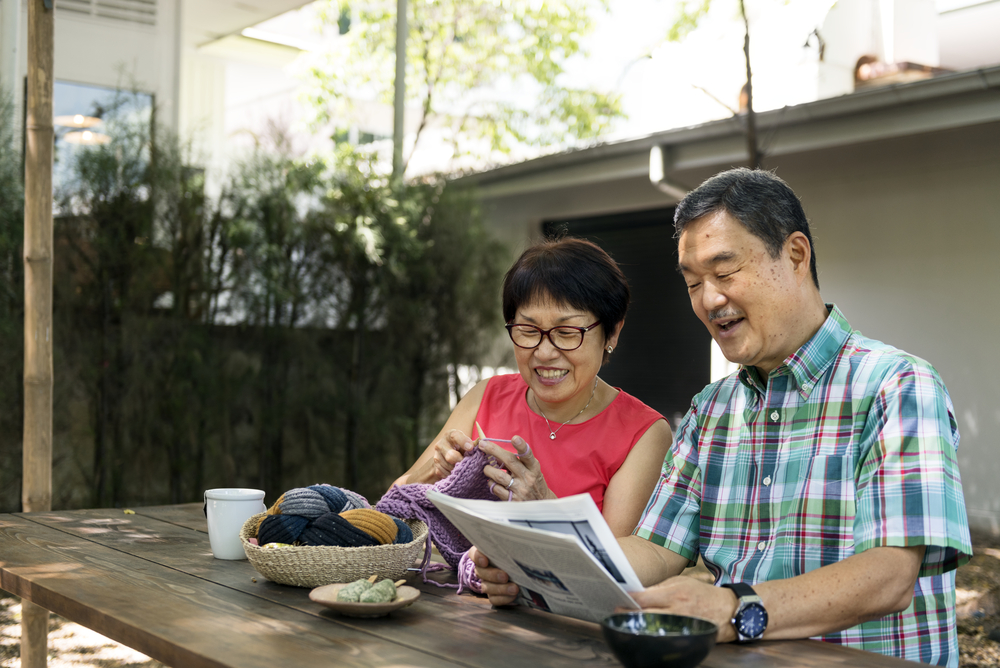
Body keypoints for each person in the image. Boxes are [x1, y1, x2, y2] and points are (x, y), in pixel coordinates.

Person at [474, 168, 972, 667]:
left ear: (796, 256)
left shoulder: (897, 386)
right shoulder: (711, 410)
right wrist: (537, 565)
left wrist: (736, 609)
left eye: (725, 272)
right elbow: (654, 549)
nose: (709, 300)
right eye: (694, 283)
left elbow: (890, 576)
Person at [395, 236, 672, 537]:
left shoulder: (643, 434)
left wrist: (544, 508)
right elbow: (389, 513)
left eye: (566, 332)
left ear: (612, 333)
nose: (544, 352)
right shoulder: (486, 396)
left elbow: (617, 570)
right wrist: (434, 475)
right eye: (528, 330)